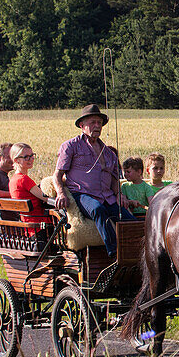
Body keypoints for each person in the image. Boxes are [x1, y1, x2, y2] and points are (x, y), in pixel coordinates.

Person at [53, 105, 136, 258]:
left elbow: (114, 179)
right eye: (92, 122)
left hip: (107, 196)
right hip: (83, 194)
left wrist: (120, 195)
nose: (97, 126)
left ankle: (137, 253)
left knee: (129, 220)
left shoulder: (109, 152)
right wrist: (60, 193)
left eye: (99, 123)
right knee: (97, 209)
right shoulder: (71, 146)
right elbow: (57, 175)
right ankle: (114, 252)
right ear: (82, 125)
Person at [8, 143, 52, 236]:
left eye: (32, 156)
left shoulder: (13, 180)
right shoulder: (24, 179)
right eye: (26, 157)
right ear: (16, 160)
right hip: (40, 227)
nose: (31, 159)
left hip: (28, 228)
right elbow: (46, 198)